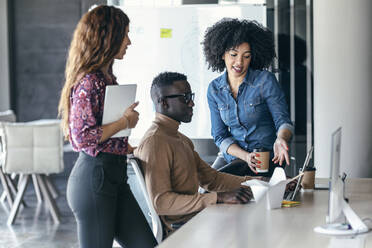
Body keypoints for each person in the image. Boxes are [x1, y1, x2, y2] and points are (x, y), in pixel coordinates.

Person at [58, 5, 157, 248]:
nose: (129, 41)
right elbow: (82, 138)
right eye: (125, 34)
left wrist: (125, 145)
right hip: (95, 179)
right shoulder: (90, 82)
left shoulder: (105, 79)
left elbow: (101, 133)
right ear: (107, 37)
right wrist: (125, 122)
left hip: (113, 176)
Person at [134, 72, 256, 238]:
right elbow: (161, 203)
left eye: (191, 96)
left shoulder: (180, 139)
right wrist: (217, 198)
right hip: (182, 230)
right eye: (185, 97)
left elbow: (212, 180)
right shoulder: (155, 142)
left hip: (197, 220)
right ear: (163, 102)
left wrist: (258, 183)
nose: (191, 103)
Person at [202, 18, 294, 177]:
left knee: (254, 194)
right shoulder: (214, 89)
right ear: (221, 54)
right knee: (205, 188)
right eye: (233, 54)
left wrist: (281, 139)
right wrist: (245, 156)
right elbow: (219, 135)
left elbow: (284, 121)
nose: (239, 62)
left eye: (246, 56)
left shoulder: (265, 81)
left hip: (265, 158)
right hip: (234, 157)